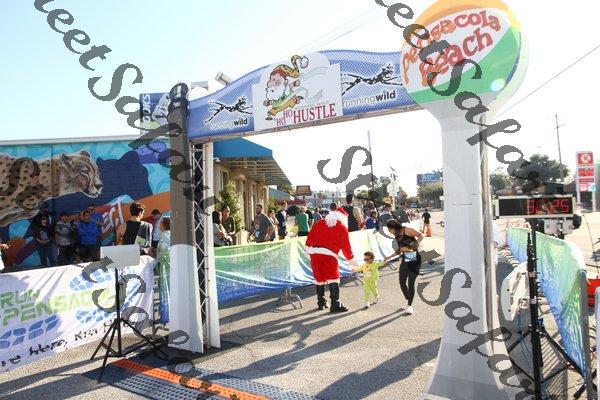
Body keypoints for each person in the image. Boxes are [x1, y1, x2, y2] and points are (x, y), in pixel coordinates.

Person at [305, 203, 357, 312]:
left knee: (319, 278)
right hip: (329, 255)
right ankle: (335, 304)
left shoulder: (319, 223)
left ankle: (321, 302)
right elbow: (346, 247)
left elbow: (309, 238)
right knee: (333, 278)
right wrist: (352, 261)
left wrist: (308, 250)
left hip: (314, 254)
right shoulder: (341, 227)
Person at [383, 219, 423, 315]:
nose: (389, 231)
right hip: (406, 258)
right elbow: (400, 250)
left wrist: (410, 247)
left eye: (389, 229)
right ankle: (409, 298)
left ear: (394, 227)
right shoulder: (396, 236)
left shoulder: (406, 230)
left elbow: (421, 236)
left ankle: (409, 306)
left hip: (415, 258)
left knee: (411, 283)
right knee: (402, 282)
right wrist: (389, 257)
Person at [156, 217, 171, 324]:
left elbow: (163, 250)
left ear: (164, 225)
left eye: (161, 224)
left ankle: (166, 314)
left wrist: (157, 260)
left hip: (165, 267)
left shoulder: (164, 235)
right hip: (173, 265)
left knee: (166, 290)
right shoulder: (173, 234)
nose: (159, 226)